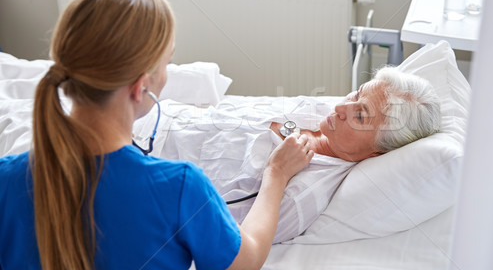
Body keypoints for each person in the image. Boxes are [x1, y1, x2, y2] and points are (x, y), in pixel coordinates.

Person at [0, 0, 313, 270]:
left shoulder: (6, 182)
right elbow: (246, 262)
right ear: (140, 87)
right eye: (166, 63)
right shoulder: (178, 187)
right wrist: (276, 173)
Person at [144, 68, 441, 243]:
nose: (341, 107)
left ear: (376, 152)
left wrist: (277, 171)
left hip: (142, 154)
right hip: (159, 109)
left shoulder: (302, 194)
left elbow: (239, 242)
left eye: (360, 115)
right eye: (357, 94)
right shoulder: (319, 116)